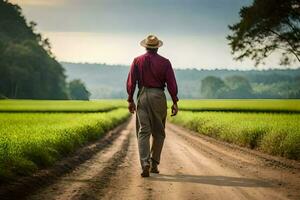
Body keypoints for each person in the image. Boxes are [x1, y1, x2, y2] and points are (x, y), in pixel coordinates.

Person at [126, 34, 179, 177]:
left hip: (142, 96)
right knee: (159, 132)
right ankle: (154, 164)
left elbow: (131, 82)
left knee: (143, 131)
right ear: (157, 47)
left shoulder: (137, 61)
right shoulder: (165, 62)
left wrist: (130, 99)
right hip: (158, 97)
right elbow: (171, 84)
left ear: (145, 46)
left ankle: (145, 163)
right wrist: (174, 101)